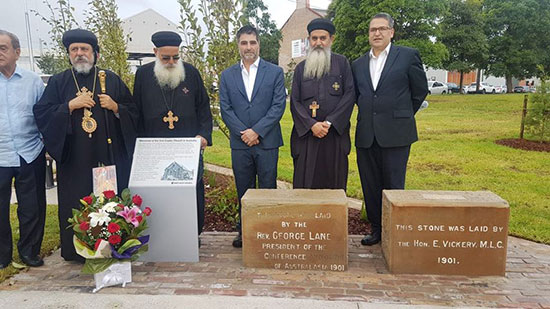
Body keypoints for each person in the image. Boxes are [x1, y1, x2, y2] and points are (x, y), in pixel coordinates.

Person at [33, 29, 138, 262]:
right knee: (76, 201)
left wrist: (116, 107)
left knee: (108, 200)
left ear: (95, 54)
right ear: (69, 54)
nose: (80, 54)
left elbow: (133, 111)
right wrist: (69, 106)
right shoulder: (59, 82)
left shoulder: (110, 79)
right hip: (74, 158)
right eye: (74, 50)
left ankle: (112, 246)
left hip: (106, 155)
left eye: (84, 49)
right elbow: (42, 113)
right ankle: (76, 250)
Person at [351, 13, 428, 246]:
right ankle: (376, 230)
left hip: (396, 133)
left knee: (394, 184)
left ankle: (394, 231)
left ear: (391, 32)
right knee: (370, 185)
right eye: (373, 30)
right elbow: (359, 97)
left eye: (382, 29)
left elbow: (419, 91)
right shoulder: (358, 64)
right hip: (366, 135)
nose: (377, 33)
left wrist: (401, 115)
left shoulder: (407, 56)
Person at [133, 31, 212, 237]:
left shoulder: (191, 73)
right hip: (154, 148)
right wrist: (139, 145)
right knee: (159, 195)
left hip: (187, 147)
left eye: (175, 57)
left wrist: (203, 135)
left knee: (189, 193)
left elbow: (204, 108)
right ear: (155, 52)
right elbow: (137, 112)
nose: (171, 62)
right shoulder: (142, 75)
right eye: (165, 57)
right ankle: (160, 236)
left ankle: (191, 234)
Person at [219, 25, 286, 248]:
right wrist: (244, 133)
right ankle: (245, 232)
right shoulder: (227, 75)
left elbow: (278, 106)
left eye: (253, 42)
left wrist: (257, 131)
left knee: (267, 188)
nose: (249, 47)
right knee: (243, 189)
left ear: (259, 44)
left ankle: (268, 231)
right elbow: (225, 109)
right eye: (244, 43)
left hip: (267, 142)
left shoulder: (275, 72)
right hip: (240, 144)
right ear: (238, 45)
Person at [290, 18, 355, 190]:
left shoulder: (342, 64)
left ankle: (332, 217)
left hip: (334, 136)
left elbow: (349, 95)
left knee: (333, 183)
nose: (318, 42)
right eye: (314, 38)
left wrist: (328, 122)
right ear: (309, 40)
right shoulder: (300, 69)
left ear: (331, 39)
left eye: (323, 38)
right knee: (306, 183)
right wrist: (311, 125)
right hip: (307, 138)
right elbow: (294, 101)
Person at [0, 30, 46, 268]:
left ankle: (29, 251)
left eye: (3, 48)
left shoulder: (33, 81)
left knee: (31, 207)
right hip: (0, 155)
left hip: (30, 151)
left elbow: (44, 114)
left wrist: (45, 144)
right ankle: (1, 256)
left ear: (17, 53)